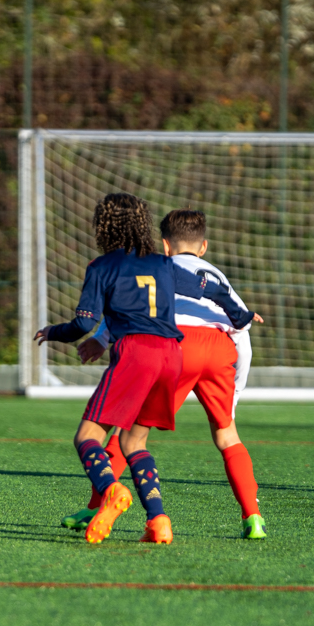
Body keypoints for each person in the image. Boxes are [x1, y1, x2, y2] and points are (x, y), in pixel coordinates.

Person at [34, 193, 258, 545]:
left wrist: (54, 332)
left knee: (87, 437)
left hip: (136, 353)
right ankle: (158, 521)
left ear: (102, 227)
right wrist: (242, 316)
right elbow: (208, 288)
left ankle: (110, 491)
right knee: (134, 440)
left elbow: (83, 323)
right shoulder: (163, 264)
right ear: (143, 225)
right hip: (171, 356)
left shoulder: (102, 266)